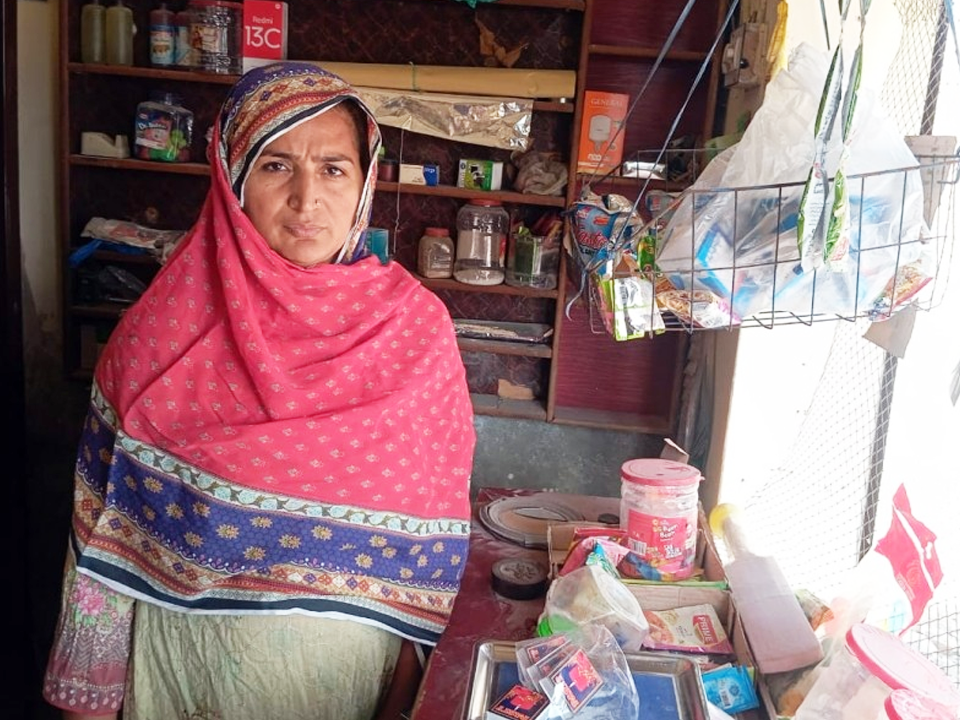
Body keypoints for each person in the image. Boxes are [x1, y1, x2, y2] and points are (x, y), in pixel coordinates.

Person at [43, 61, 476, 720]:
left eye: (334, 168)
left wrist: (406, 700)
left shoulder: (414, 333)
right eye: (277, 166)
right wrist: (91, 701)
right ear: (234, 180)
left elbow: (426, 559)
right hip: (180, 684)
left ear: (364, 182)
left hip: (347, 691)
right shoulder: (161, 334)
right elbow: (99, 543)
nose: (308, 198)